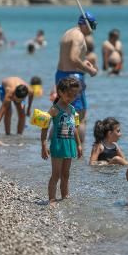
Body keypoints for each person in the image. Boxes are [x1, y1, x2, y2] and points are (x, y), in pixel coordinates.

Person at [56, 12, 99, 144]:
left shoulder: (68, 33)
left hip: (61, 75)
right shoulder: (79, 36)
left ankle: (61, 143)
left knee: (63, 112)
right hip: (73, 78)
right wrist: (90, 70)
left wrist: (83, 62)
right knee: (79, 116)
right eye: (92, 26)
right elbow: (73, 58)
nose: (93, 30)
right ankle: (77, 149)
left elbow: (72, 58)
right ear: (86, 24)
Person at [40, 77, 82, 205]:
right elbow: (44, 127)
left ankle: (65, 197)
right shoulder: (54, 109)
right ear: (60, 92)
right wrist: (43, 144)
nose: (72, 97)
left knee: (66, 174)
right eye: (69, 95)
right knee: (56, 174)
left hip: (69, 144)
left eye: (74, 95)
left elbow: (74, 128)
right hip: (58, 144)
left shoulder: (72, 110)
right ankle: (52, 199)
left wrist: (79, 144)